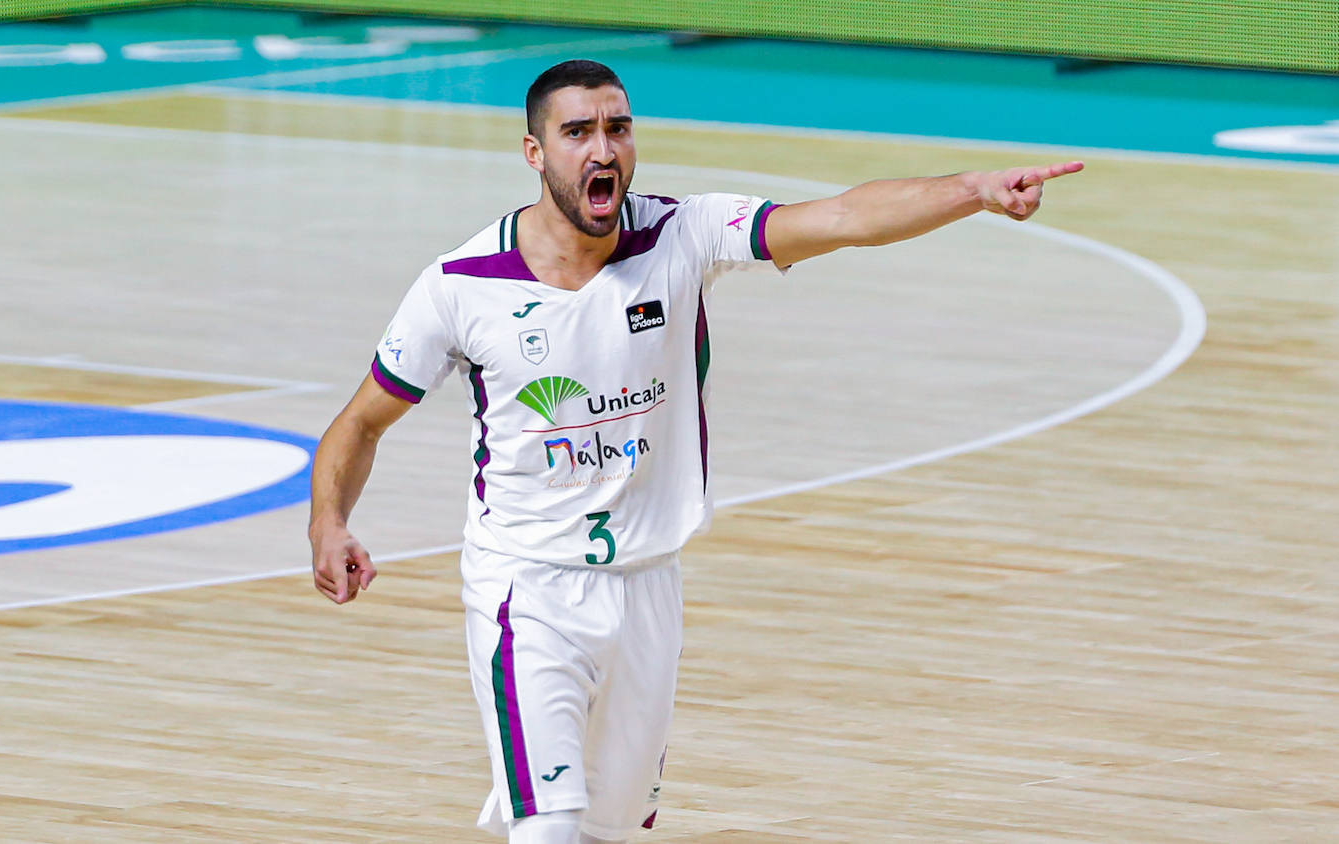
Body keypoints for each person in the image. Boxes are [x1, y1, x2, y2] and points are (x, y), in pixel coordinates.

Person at [307, 59, 1083, 843]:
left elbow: (846, 217)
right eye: (577, 132)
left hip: (649, 587)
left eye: (618, 127)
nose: (602, 149)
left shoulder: (683, 234)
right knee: (548, 830)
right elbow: (359, 423)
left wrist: (974, 191)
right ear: (534, 153)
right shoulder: (459, 285)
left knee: (611, 831)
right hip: (526, 589)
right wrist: (329, 522)